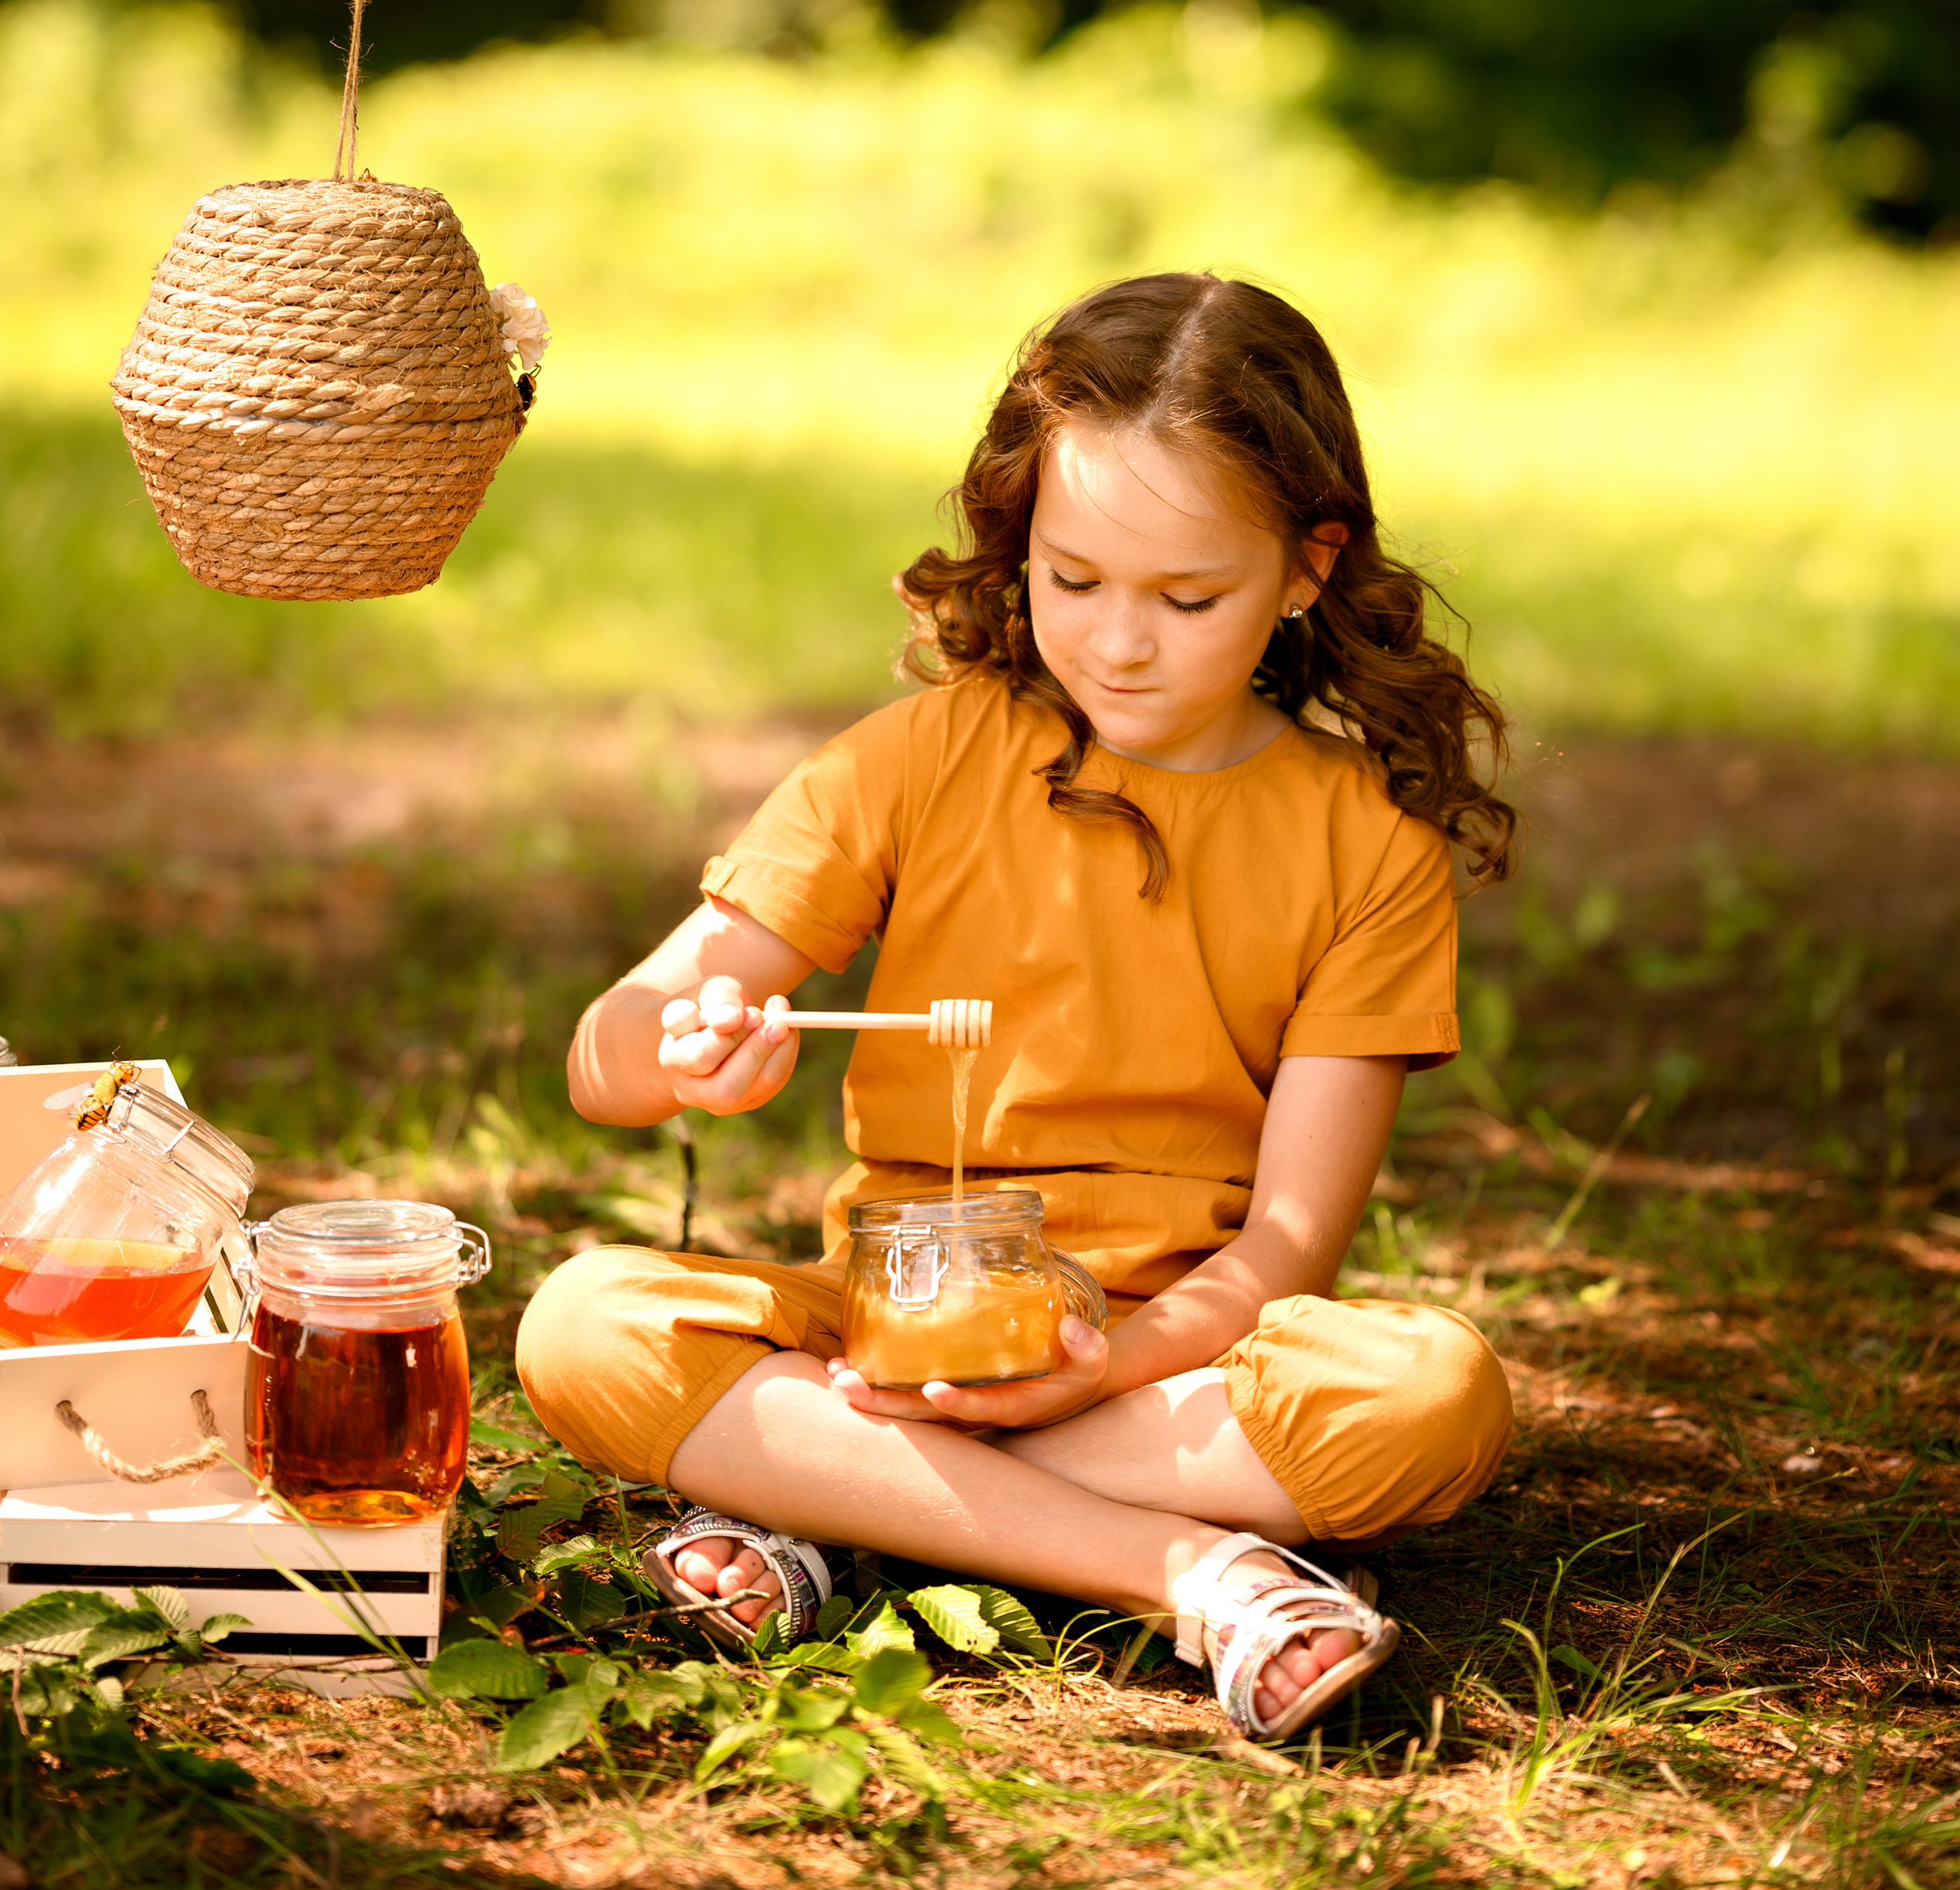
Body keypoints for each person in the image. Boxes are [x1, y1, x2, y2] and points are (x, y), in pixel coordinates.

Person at [517, 271, 1517, 1745]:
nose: (1118, 644)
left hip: (1173, 1360)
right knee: (587, 1323)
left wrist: (1106, 1362)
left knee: (1434, 1396)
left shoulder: (1366, 844)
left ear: (1309, 568)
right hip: (895, 1325)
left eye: (1188, 599)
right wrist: (685, 1054)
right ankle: (1200, 1577)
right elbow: (611, 1053)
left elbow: (1291, 1242)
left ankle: (851, 1526)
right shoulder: (916, 760)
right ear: (1019, 544)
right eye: (1073, 579)